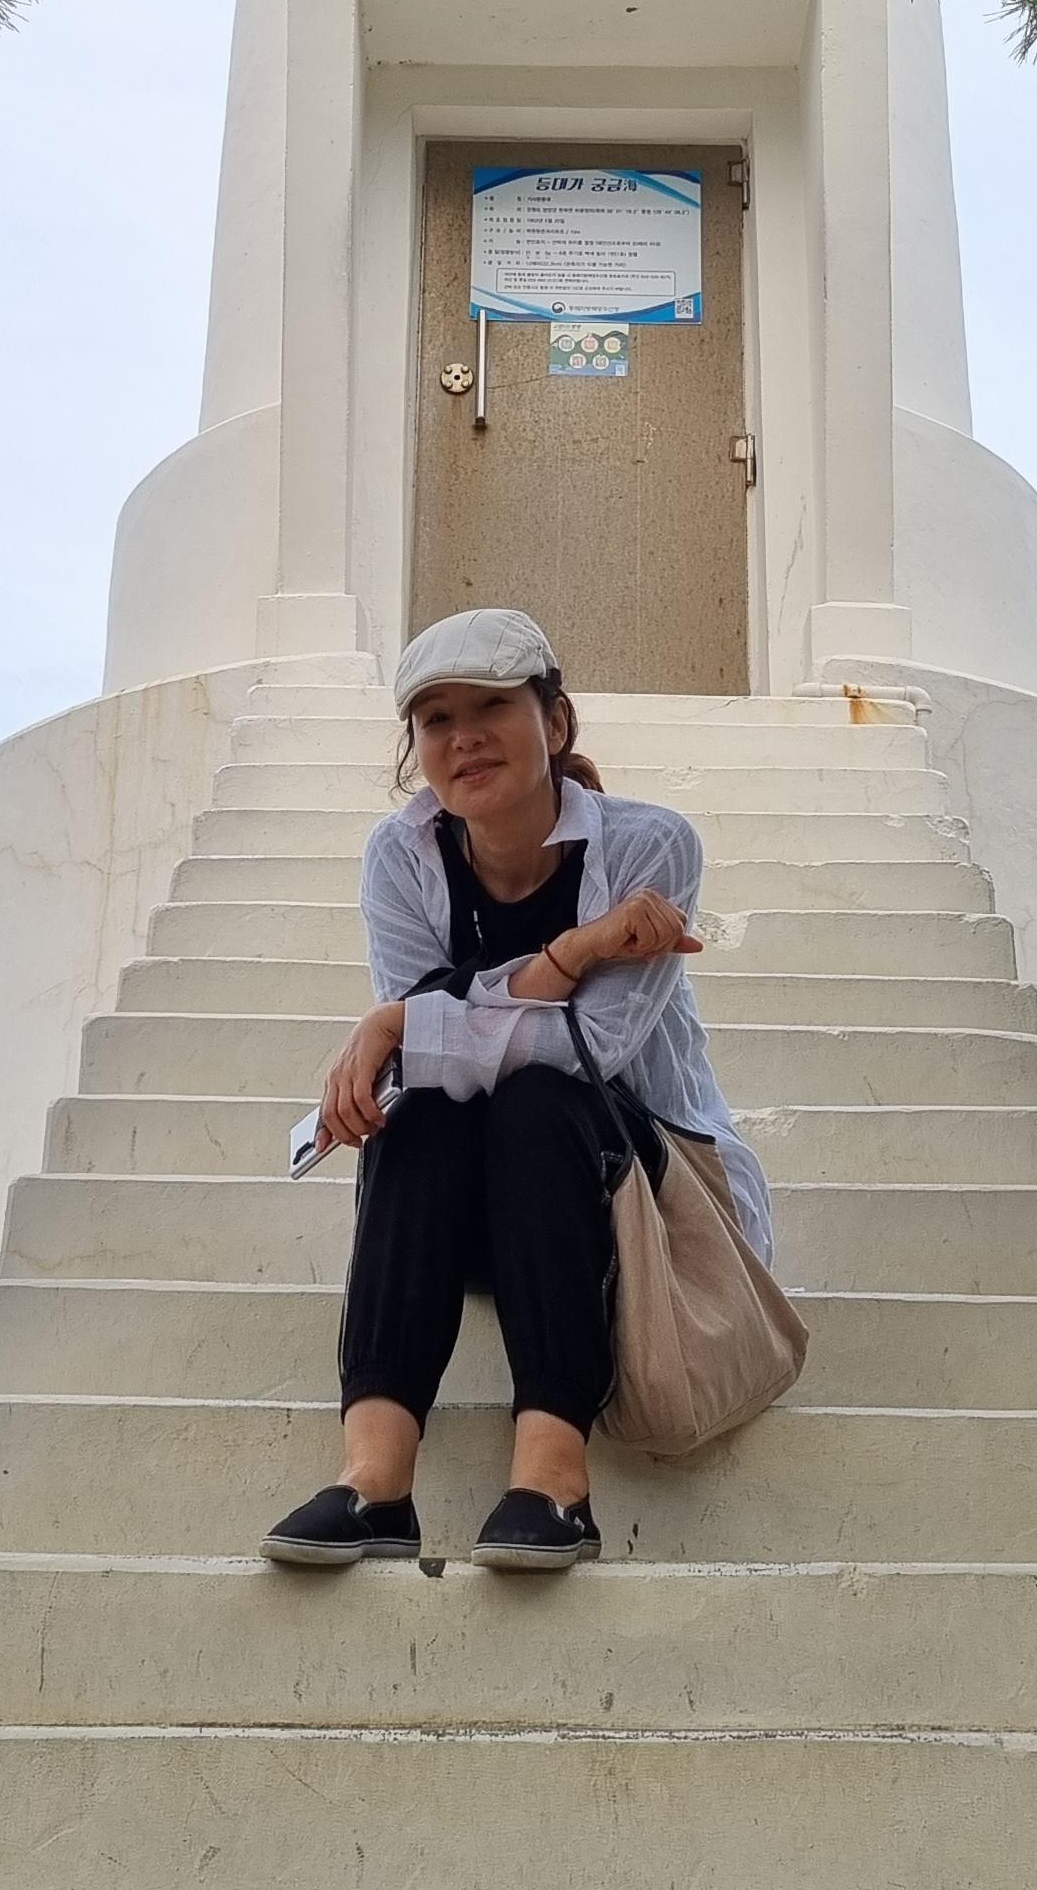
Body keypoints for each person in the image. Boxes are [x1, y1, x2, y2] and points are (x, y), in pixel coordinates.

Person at [262, 606, 772, 1575]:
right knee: (423, 1108)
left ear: (556, 721)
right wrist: (574, 952)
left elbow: (593, 1046)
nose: (464, 738)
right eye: (436, 719)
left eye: (492, 705)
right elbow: (422, 1054)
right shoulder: (400, 857)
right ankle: (375, 1481)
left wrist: (405, 1020)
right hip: (480, 1215)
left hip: (637, 1200)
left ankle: (553, 1481)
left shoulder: (650, 847)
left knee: (536, 1094)